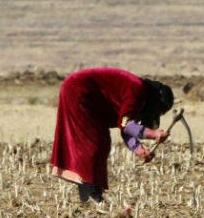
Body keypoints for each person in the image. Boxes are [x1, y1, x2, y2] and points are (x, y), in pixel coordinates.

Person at [50, 67, 174, 203]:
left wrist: (140, 150)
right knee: (92, 144)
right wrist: (154, 134)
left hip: (85, 95)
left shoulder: (141, 94)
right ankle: (90, 195)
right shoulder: (137, 90)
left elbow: (124, 127)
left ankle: (92, 193)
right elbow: (126, 125)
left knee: (101, 142)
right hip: (79, 90)